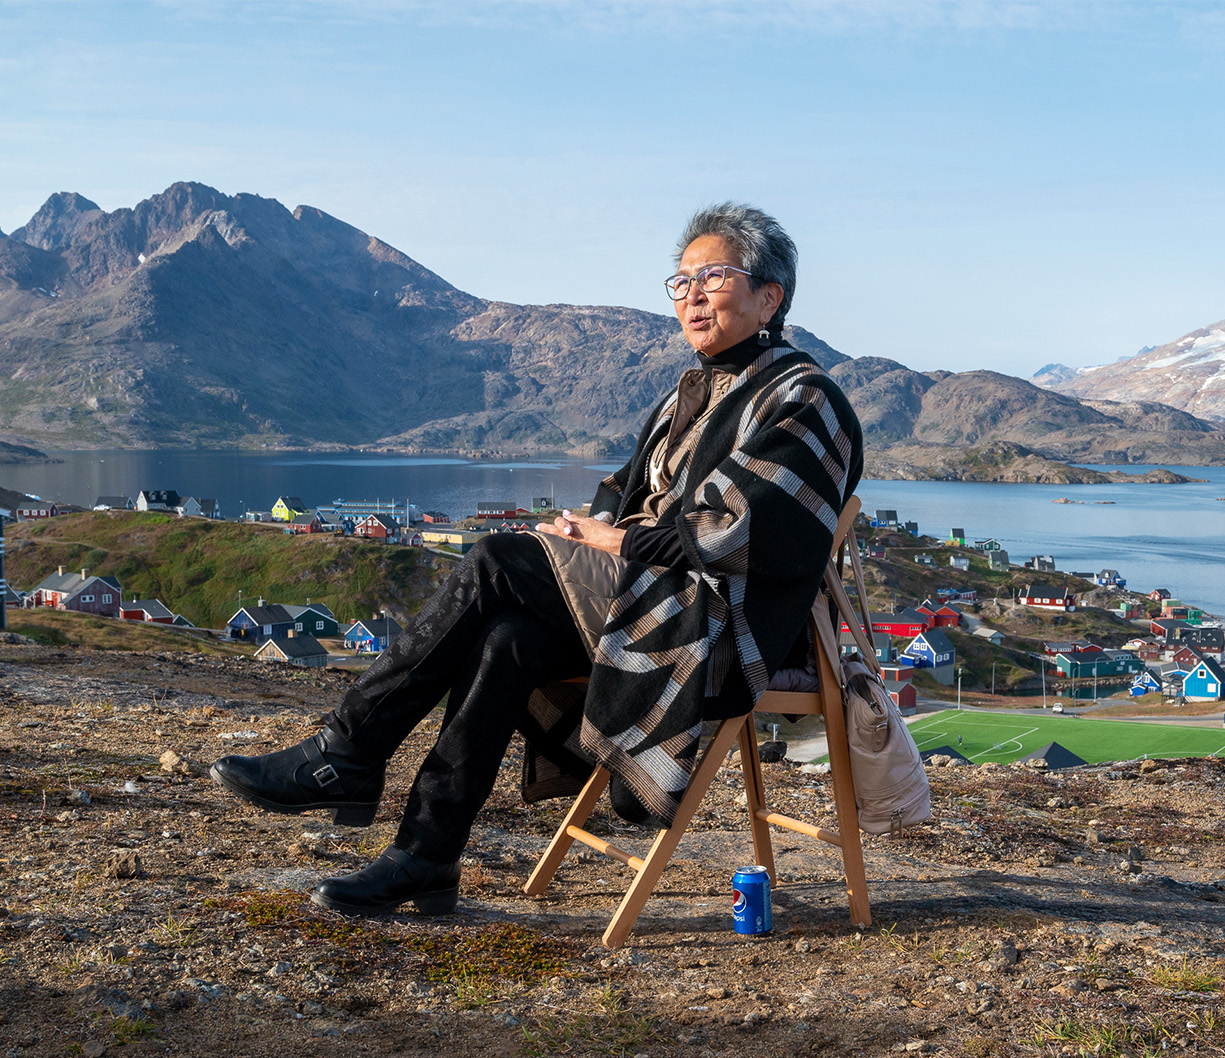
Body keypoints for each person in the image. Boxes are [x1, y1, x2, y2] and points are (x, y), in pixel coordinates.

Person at [211, 204, 863, 916]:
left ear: (769, 297)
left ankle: (347, 751)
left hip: (717, 622)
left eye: (713, 277)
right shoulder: (691, 393)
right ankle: (425, 856)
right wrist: (589, 527)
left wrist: (619, 542)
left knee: (497, 558)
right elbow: (625, 489)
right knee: (507, 639)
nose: (692, 296)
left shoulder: (805, 398)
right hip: (644, 596)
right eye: (680, 282)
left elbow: (749, 532)